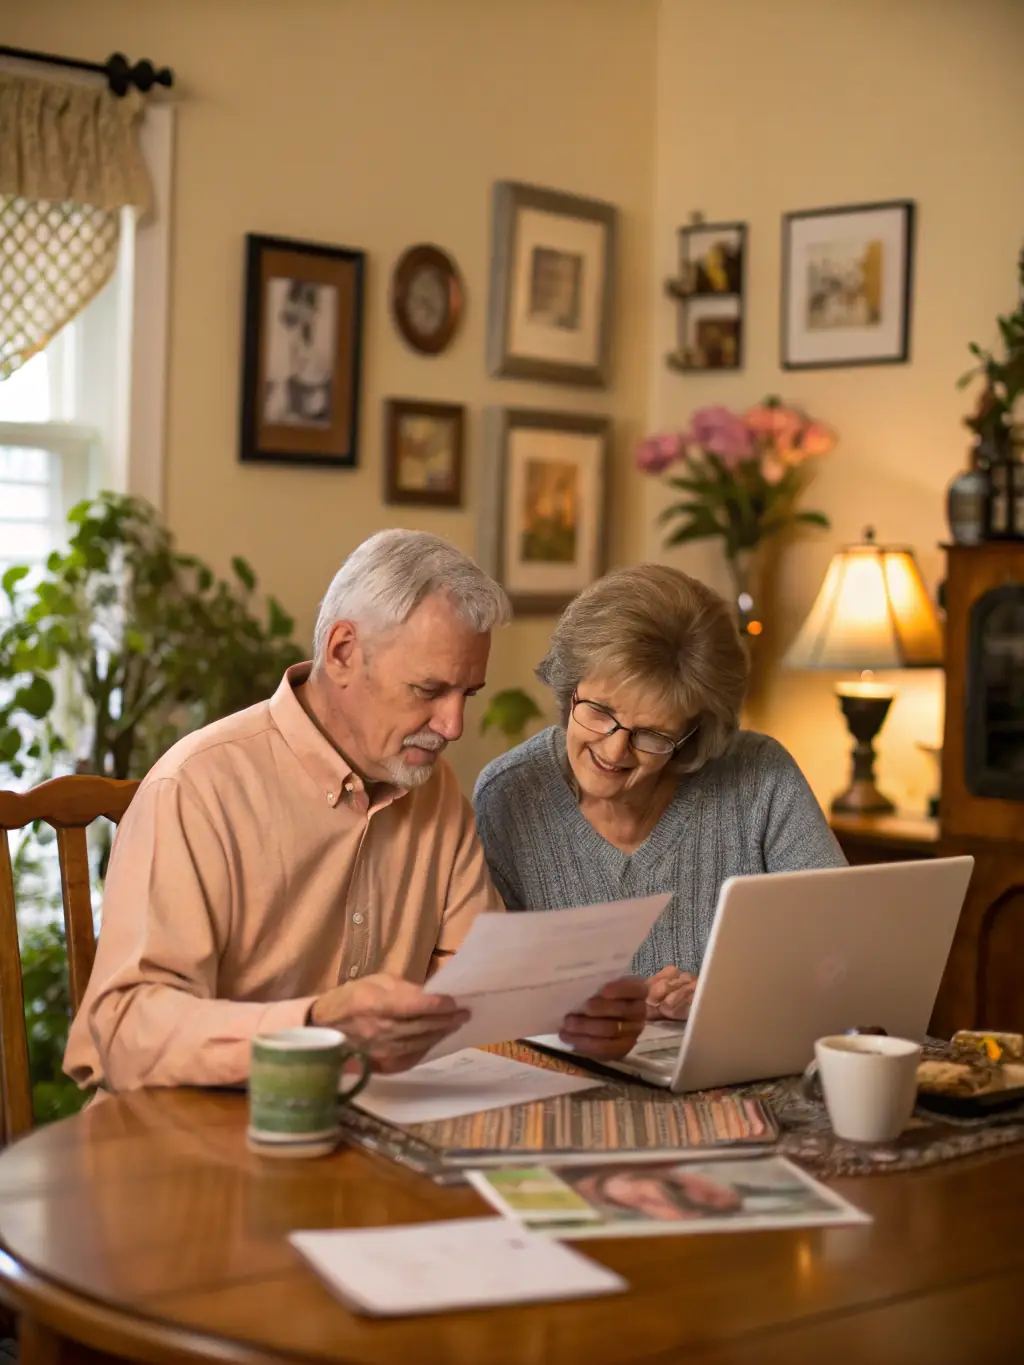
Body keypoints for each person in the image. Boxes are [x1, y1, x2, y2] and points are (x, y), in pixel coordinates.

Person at [65, 531, 647, 1093]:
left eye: (466, 694)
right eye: (428, 690)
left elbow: (472, 985)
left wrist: (566, 1014)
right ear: (342, 652)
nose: (453, 726)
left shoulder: (435, 791)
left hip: (362, 1118)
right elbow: (122, 1031)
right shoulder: (196, 787)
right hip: (190, 1129)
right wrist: (315, 1026)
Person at [473, 563, 845, 1023]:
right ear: (570, 688)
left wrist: (723, 994)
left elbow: (840, 946)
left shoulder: (759, 776)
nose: (614, 750)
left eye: (651, 734)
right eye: (599, 711)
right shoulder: (509, 795)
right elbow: (492, 993)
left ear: (692, 735)